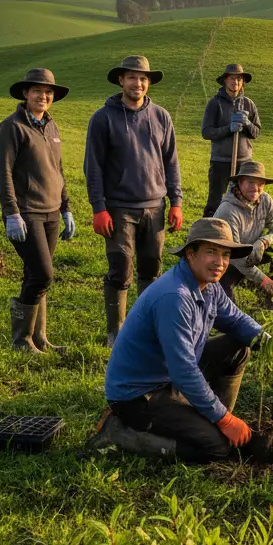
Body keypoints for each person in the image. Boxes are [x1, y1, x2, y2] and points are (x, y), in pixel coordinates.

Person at [88, 218, 273, 462]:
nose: (220, 262)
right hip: (139, 394)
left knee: (237, 347)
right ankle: (120, 433)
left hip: (168, 377)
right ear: (190, 254)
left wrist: (268, 343)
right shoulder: (175, 297)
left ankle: (214, 416)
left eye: (226, 254)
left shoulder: (209, 285)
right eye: (211, 252)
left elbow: (236, 320)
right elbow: (183, 371)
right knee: (215, 447)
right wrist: (226, 422)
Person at [84, 55, 183, 347]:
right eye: (131, 77)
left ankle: (145, 329)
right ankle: (117, 333)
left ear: (148, 82)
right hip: (119, 208)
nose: (137, 83)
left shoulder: (162, 116)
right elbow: (93, 167)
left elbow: (172, 162)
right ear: (121, 81)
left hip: (155, 207)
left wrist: (176, 201)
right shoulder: (103, 118)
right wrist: (98, 208)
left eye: (142, 78)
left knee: (151, 270)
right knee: (120, 268)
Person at [0, 68, 77, 352]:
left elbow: (58, 170)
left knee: (34, 274)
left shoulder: (52, 127)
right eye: (37, 91)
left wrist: (66, 208)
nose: (43, 96)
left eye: (48, 92)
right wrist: (12, 213)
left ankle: (39, 338)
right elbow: (2, 173)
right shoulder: (12, 127)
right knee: (43, 274)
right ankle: (21, 340)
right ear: (26, 94)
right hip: (26, 213)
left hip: (52, 212)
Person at [213, 160, 273, 303]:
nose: (256, 188)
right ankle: (255, 283)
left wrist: (263, 242)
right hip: (224, 260)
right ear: (239, 182)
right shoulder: (228, 210)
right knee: (225, 305)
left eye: (260, 184)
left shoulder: (265, 199)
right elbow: (235, 256)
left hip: (250, 252)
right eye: (251, 182)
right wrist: (263, 280)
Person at [201, 63, 262, 217]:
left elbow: (256, 133)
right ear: (225, 81)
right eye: (232, 78)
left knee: (242, 200)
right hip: (220, 161)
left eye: (239, 79)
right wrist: (228, 128)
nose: (235, 82)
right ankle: (209, 235)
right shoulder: (215, 104)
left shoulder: (249, 104)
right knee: (215, 203)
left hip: (244, 163)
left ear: (242, 82)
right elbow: (206, 132)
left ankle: (238, 233)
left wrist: (247, 123)